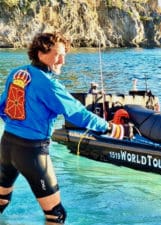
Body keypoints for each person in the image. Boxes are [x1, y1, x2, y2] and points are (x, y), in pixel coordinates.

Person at [0, 32, 121, 224]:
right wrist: (109, 127)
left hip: (6, 145)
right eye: (58, 54)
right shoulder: (49, 84)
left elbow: (2, 106)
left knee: (1, 200)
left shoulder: (17, 74)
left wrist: (18, 126)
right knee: (56, 215)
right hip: (32, 152)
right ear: (40, 54)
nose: (63, 60)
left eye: (64, 55)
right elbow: (78, 114)